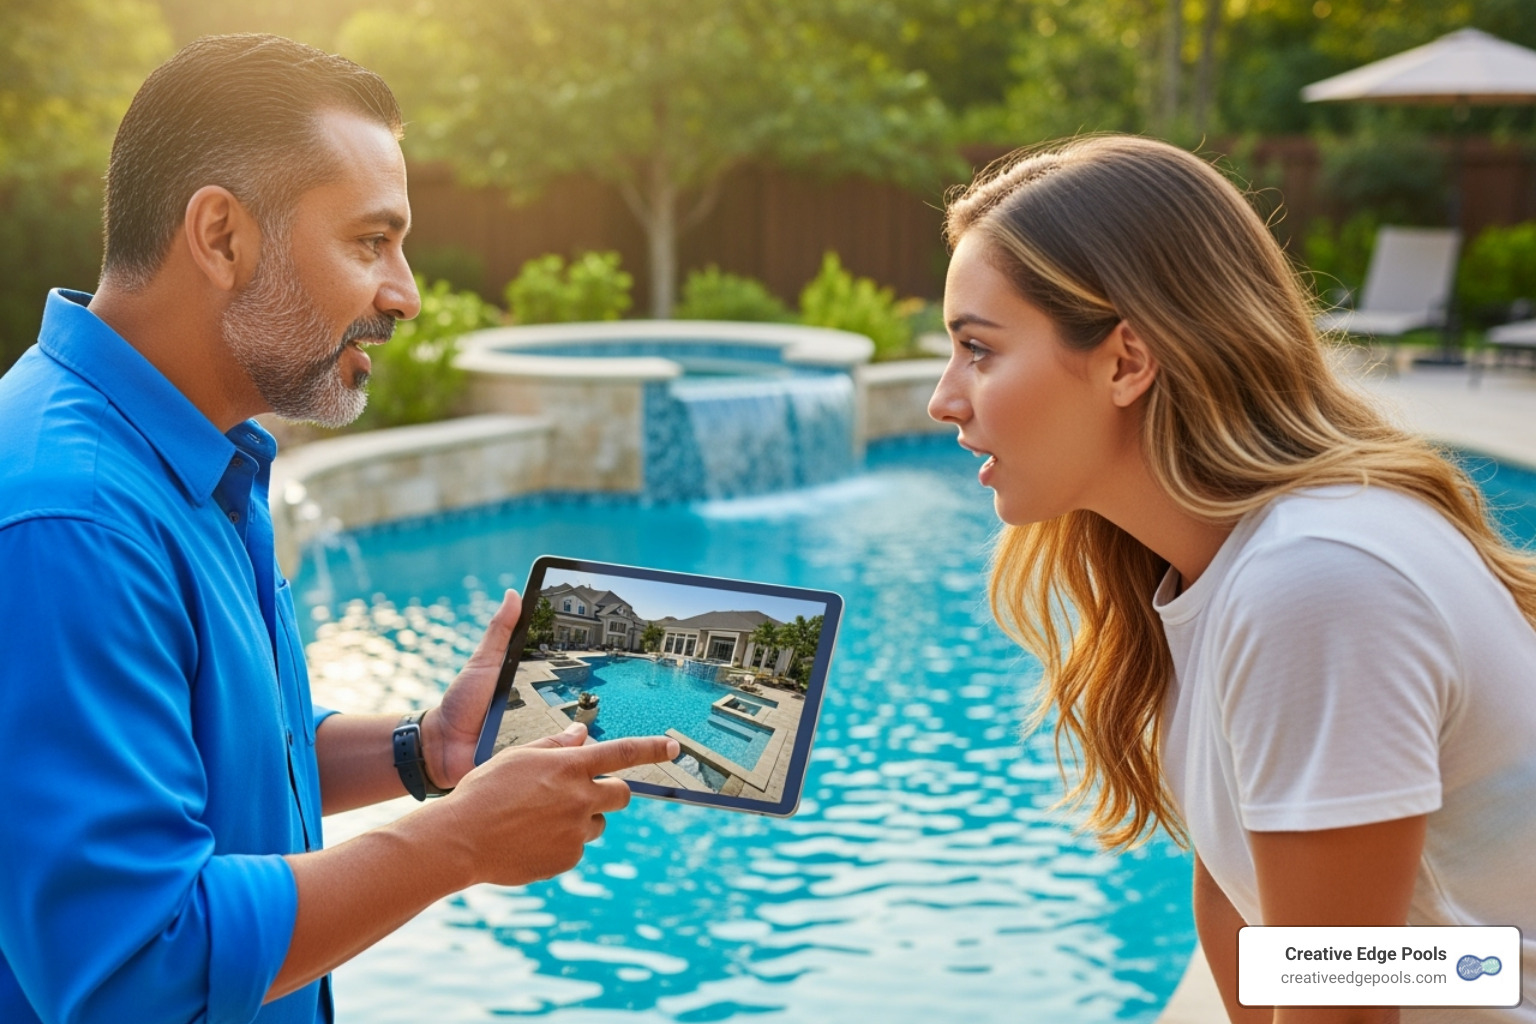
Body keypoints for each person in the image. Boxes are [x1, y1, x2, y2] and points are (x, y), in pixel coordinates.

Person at [0, 34, 678, 1024]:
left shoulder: (191, 459)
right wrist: (459, 842)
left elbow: (212, 759)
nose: (405, 294)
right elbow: (134, 966)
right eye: (370, 242)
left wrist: (425, 749)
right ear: (222, 237)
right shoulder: (72, 522)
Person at [926, 135, 1536, 1024]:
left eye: (979, 350)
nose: (944, 398)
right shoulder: (1210, 570)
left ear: (1127, 362)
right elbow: (1256, 927)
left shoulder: (1318, 580)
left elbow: (1343, 995)